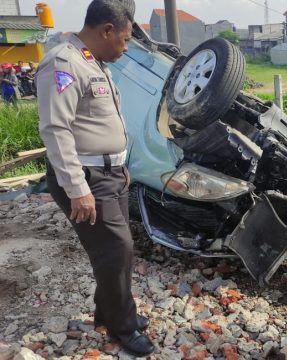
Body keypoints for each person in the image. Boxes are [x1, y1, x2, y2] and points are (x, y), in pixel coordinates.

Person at [36, 1, 154, 357]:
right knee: (117, 249)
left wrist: (119, 165)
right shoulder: (63, 62)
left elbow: (99, 124)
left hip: (109, 173)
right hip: (87, 178)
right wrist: (77, 189)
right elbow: (56, 129)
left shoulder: (92, 61)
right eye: (124, 39)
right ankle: (122, 328)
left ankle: (109, 312)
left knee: (113, 251)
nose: (126, 46)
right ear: (105, 30)